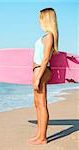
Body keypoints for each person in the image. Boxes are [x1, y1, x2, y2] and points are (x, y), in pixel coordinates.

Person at [28, 7, 59, 145]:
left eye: (41, 18)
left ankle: (43, 138)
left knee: (42, 104)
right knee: (38, 104)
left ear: (46, 19)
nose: (39, 21)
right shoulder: (46, 36)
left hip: (42, 70)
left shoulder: (49, 36)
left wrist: (38, 77)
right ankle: (39, 135)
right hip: (39, 70)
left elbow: (45, 58)